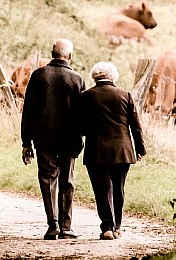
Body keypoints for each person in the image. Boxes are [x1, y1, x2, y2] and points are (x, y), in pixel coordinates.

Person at [20, 39, 86, 240]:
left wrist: (26, 142)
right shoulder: (77, 79)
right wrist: (82, 136)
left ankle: (53, 224)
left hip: (44, 138)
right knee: (67, 180)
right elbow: (82, 113)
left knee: (48, 179)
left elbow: (28, 111)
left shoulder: (39, 75)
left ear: (51, 54)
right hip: (70, 139)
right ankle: (66, 227)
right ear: (70, 56)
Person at [79, 62, 146, 240]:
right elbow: (136, 127)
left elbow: (81, 126)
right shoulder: (125, 95)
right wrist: (140, 149)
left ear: (94, 76)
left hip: (96, 151)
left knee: (102, 190)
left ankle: (107, 227)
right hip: (122, 150)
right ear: (113, 76)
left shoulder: (86, 96)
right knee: (119, 188)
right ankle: (117, 226)